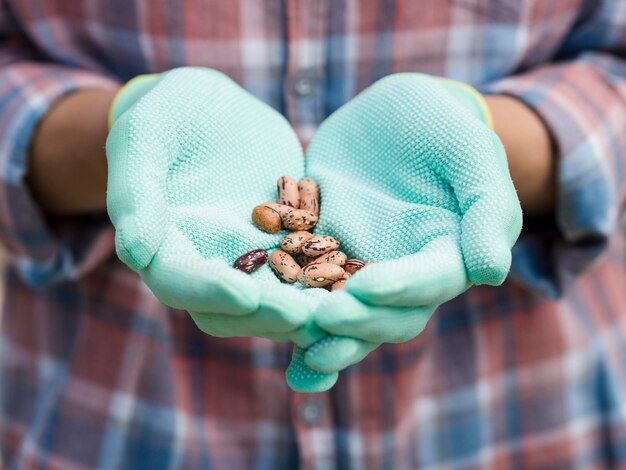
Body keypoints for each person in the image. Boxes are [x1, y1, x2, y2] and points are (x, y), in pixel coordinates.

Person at [1, 0, 625, 468]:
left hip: (522, 417)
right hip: (108, 415)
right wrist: (118, 126)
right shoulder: (286, 229)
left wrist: (486, 133)